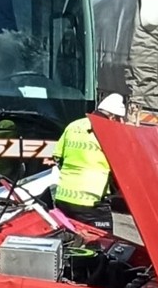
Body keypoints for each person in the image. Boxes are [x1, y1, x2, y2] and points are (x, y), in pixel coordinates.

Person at [48, 93, 126, 232]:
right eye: (119, 120)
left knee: (70, 241)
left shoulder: (73, 125)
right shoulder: (109, 131)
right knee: (101, 244)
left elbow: (57, 157)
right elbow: (121, 167)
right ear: (113, 117)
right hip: (91, 200)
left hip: (63, 197)